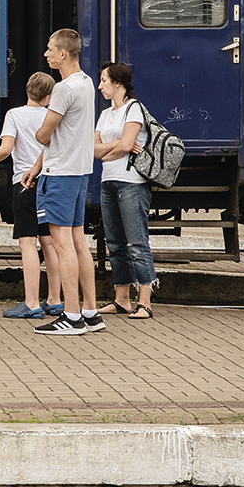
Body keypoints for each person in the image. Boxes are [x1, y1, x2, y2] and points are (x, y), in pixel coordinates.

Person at [21, 29, 105, 336]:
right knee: (79, 242)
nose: (45, 54)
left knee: (61, 245)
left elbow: (45, 134)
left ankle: (70, 316)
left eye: (49, 49)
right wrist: (36, 167)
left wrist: (38, 134)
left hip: (59, 175)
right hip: (80, 171)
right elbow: (66, 135)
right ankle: (91, 312)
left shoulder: (62, 90)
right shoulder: (86, 83)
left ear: (63, 54)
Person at [0, 72, 63, 319]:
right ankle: (54, 299)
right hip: (49, 182)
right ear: (47, 97)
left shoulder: (14, 115)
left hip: (24, 184)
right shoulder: (52, 116)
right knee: (49, 243)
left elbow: (6, 149)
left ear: (28, 91)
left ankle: (31, 303)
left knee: (27, 244)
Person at [93, 62, 155, 320]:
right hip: (108, 181)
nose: (100, 86)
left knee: (137, 243)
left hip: (132, 182)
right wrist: (118, 146)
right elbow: (93, 149)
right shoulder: (106, 114)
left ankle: (145, 302)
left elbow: (125, 144)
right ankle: (122, 300)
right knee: (116, 244)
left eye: (104, 81)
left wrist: (111, 149)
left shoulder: (134, 109)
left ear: (118, 83)